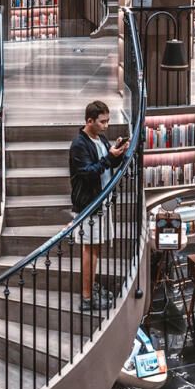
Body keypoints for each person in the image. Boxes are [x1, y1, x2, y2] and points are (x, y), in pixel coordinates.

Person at [69, 99, 128, 309]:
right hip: (90, 206)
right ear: (89, 121)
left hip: (102, 204)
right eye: (102, 122)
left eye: (108, 121)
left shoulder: (101, 139)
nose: (106, 126)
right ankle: (86, 298)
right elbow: (87, 173)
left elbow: (106, 164)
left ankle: (91, 287)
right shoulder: (79, 145)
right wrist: (108, 158)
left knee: (96, 249)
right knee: (90, 250)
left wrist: (117, 155)